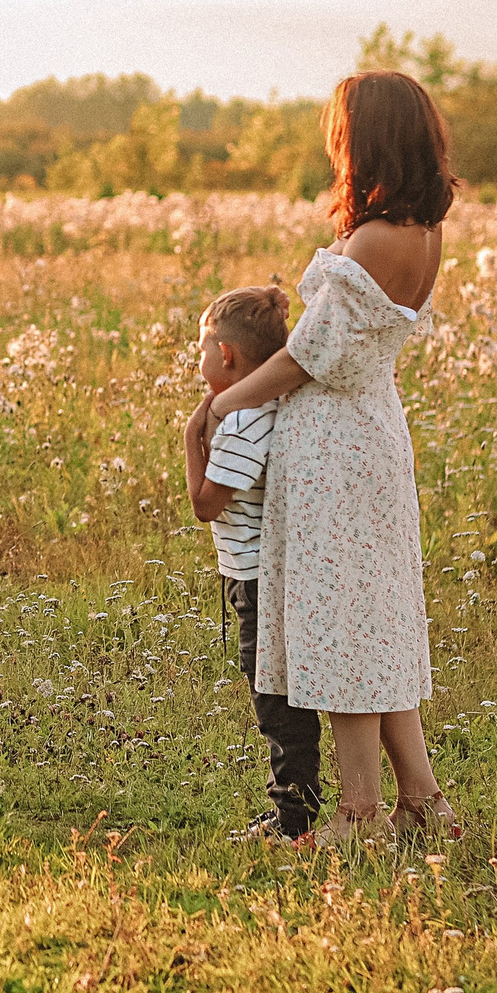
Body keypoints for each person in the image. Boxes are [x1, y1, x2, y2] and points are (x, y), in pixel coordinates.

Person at [207, 69, 464, 849]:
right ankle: (421, 797)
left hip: (334, 449)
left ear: (368, 139)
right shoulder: (425, 231)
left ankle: (359, 813)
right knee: (377, 617)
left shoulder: (375, 237)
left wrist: (226, 401)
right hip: (374, 429)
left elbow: (310, 356)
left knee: (347, 624)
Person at [183, 284, 323, 841]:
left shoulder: (240, 421)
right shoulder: (274, 404)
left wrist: (191, 436)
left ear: (228, 354)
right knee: (281, 693)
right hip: (274, 573)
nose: (198, 360)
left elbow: (205, 504)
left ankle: (294, 816)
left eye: (201, 348)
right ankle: (296, 807)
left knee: (274, 698)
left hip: (255, 576)